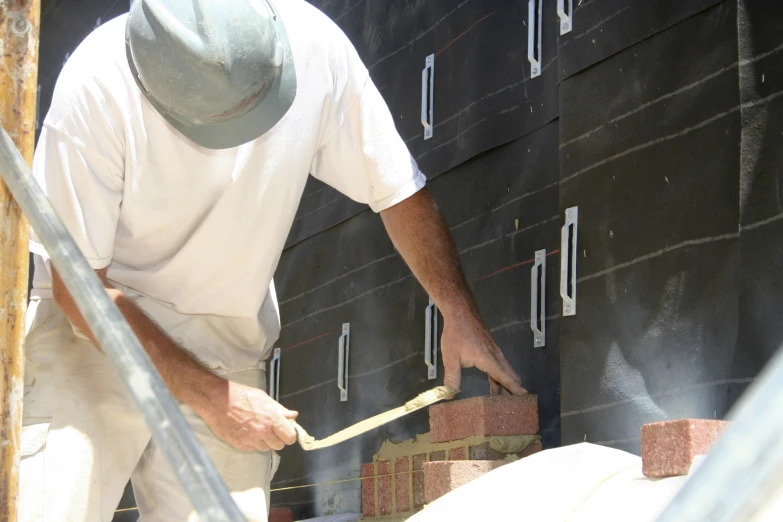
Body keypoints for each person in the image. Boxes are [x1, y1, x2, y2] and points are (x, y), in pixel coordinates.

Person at [20, 0, 526, 520]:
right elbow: (78, 289)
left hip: (222, 328)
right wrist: (215, 398)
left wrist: (460, 313)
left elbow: (397, 190)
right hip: (92, 325)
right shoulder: (95, 89)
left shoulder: (316, 49)